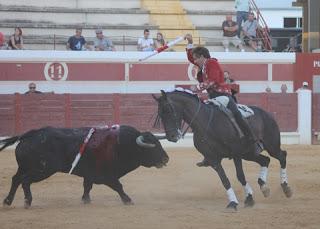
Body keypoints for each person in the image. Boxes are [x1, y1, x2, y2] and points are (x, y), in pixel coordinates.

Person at [184, 33, 263, 166]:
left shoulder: (212, 63)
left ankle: (252, 141)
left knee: (237, 115)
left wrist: (197, 87)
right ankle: (210, 153)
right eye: (195, 59)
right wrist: (190, 42)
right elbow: (191, 58)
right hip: (213, 97)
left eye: (197, 59)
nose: (194, 61)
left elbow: (213, 80)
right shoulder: (203, 65)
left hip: (223, 96)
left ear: (203, 57)